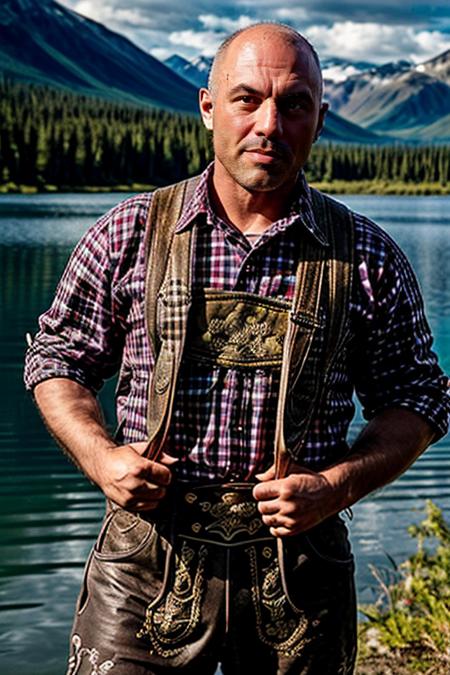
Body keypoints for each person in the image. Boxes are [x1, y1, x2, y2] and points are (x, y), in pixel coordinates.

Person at [24, 22, 448, 675]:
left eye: (295, 103)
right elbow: (57, 359)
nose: (270, 123)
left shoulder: (368, 257)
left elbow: (418, 399)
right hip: (145, 570)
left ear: (321, 118)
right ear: (207, 107)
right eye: (247, 98)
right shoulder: (128, 233)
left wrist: (335, 487)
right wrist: (102, 456)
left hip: (300, 580)